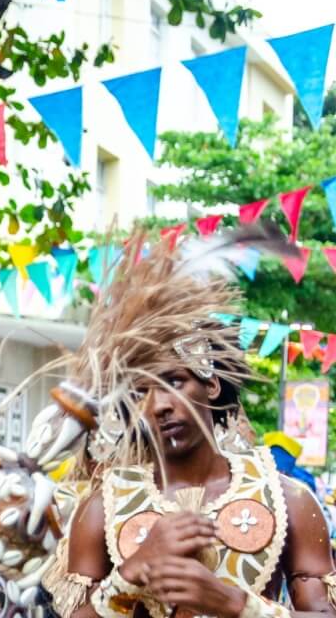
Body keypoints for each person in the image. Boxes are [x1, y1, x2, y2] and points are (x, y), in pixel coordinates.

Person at [33, 230, 336, 618]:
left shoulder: (288, 500)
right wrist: (127, 577)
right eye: (140, 392)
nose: (157, 406)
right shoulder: (102, 509)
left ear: (210, 385)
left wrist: (234, 604)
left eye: (173, 382)